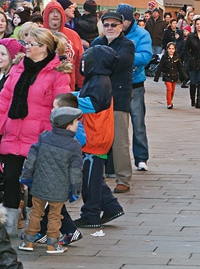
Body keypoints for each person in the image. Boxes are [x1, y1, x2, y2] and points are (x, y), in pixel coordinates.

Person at [0, 28, 72, 236]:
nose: (27, 47)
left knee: (35, 186)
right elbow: (5, 100)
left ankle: (34, 227)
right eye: (26, 43)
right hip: (13, 134)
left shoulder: (57, 72)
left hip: (39, 139)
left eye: (31, 44)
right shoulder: (18, 68)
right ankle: (9, 228)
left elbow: (61, 109)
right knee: (11, 180)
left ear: (44, 47)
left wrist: (54, 137)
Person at [73, 47, 125, 231]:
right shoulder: (99, 80)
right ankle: (111, 206)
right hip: (96, 137)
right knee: (93, 177)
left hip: (94, 139)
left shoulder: (99, 82)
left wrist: (68, 100)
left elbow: (91, 104)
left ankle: (90, 214)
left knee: (89, 181)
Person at [18, 106, 83, 254]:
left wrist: (26, 176)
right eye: (75, 122)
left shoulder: (44, 137)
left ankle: (28, 241)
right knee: (55, 215)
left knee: (36, 213)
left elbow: (31, 159)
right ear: (67, 126)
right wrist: (75, 189)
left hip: (39, 185)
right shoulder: (74, 146)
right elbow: (75, 171)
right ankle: (52, 244)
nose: (77, 124)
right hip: (59, 189)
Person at [91, 12, 135, 194]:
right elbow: (87, 64)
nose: (110, 28)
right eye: (106, 24)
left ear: (121, 26)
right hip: (98, 98)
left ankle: (123, 177)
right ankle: (95, 176)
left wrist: (101, 61)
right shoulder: (97, 42)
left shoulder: (127, 45)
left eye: (114, 25)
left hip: (119, 98)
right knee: (96, 139)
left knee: (119, 141)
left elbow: (121, 63)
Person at [116, 4, 153, 173]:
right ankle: (114, 160)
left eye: (124, 20)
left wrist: (123, 57)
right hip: (116, 84)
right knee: (116, 124)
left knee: (138, 122)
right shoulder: (113, 32)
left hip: (136, 84)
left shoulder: (142, 34)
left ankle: (141, 158)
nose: (121, 24)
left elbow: (145, 56)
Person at [43, 0, 84, 91]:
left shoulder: (73, 35)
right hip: (42, 89)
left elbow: (79, 62)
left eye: (58, 12)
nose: (55, 15)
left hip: (68, 88)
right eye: (51, 12)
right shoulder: (38, 35)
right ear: (46, 15)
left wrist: (81, 85)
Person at [154, 42, 188, 109]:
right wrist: (156, 77)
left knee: (172, 90)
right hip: (167, 75)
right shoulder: (164, 57)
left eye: (172, 49)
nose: (171, 50)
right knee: (169, 89)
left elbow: (180, 67)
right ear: (167, 49)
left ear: (175, 49)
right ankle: (169, 103)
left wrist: (185, 76)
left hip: (174, 76)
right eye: (169, 49)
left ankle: (170, 101)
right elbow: (160, 67)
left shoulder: (177, 57)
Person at [185, 18, 200, 109]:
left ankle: (199, 100)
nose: (199, 26)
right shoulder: (191, 36)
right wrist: (189, 59)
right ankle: (193, 99)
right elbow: (186, 49)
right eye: (197, 24)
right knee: (193, 82)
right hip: (193, 62)